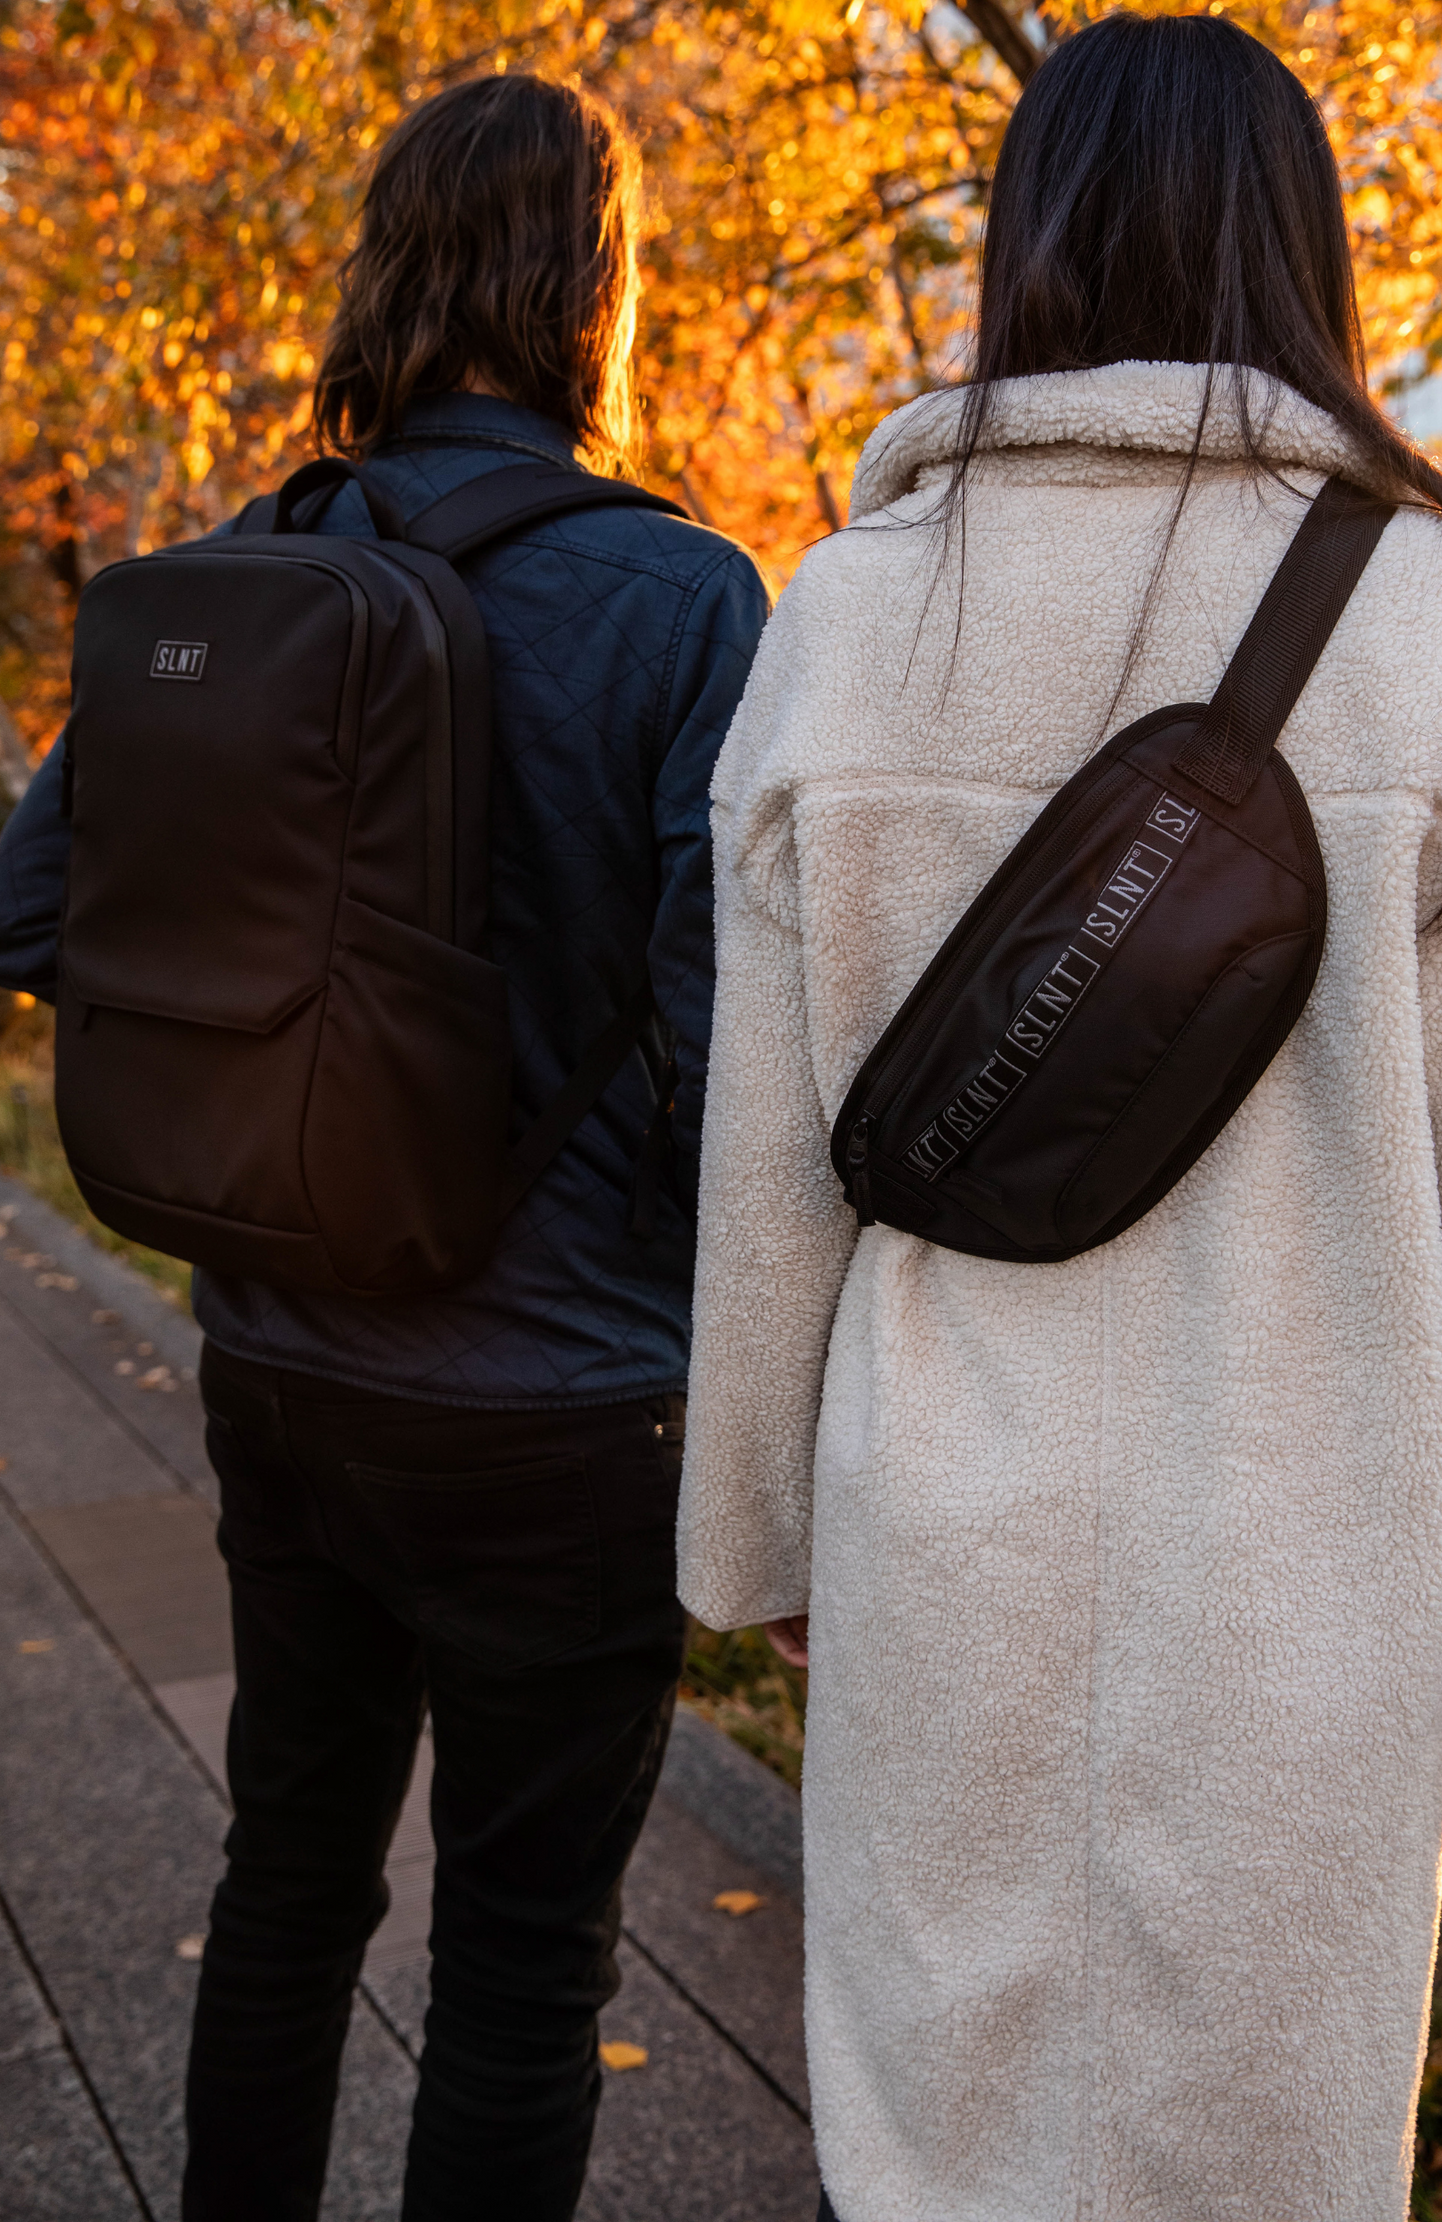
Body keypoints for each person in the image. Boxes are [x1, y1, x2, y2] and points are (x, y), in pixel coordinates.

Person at [675, 17, 1442, 2222]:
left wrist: (759, 1533)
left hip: (941, 1534)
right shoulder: (1438, 617)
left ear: (1027, 247)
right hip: (1296, 1569)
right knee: (1257, 2150)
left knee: (937, 2144)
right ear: (1302, 252)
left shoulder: (849, 612)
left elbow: (772, 1153)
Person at [0, 73, 768, 2222]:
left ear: (386, 268)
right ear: (599, 292)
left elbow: (31, 909)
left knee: (285, 1884)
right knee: (524, 1972)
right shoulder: (691, 598)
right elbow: (724, 1042)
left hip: (275, 1358)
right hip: (562, 1407)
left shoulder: (232, 575)